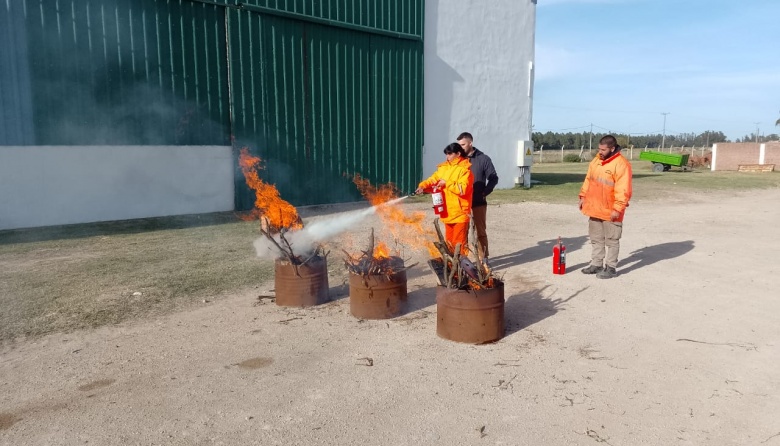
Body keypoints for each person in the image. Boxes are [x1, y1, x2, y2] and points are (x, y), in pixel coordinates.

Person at [578, 135, 633, 279]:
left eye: (603, 149)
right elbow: (588, 180)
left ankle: (611, 268)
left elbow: (624, 190)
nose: (600, 152)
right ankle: (596, 264)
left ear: (612, 148)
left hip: (611, 211)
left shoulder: (621, 164)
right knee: (596, 238)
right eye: (599, 149)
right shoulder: (596, 161)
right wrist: (583, 197)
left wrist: (617, 209)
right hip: (594, 207)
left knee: (612, 240)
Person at [416, 143, 474, 254]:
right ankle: (451, 266)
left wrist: (446, 183)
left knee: (459, 244)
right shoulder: (443, 168)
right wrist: (423, 186)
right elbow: (433, 179)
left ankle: (459, 268)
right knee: (449, 243)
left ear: (458, 154)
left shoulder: (465, 170)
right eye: (446, 154)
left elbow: (463, 189)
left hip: (460, 212)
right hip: (447, 211)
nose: (447, 157)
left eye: (449, 154)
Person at [457, 132, 498, 259]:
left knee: (480, 231)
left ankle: (484, 259)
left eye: (463, 144)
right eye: (459, 145)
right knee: (462, 231)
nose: (460, 147)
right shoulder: (458, 159)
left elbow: (493, 178)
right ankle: (463, 259)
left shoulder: (483, 159)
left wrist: (485, 192)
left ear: (470, 143)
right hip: (462, 202)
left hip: (478, 201)